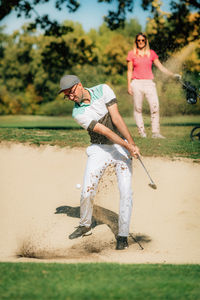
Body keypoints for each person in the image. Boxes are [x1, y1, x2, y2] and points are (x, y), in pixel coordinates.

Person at [58, 74, 140, 250]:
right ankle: (85, 225)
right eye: (67, 96)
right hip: (99, 148)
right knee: (87, 190)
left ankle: (123, 236)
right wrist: (127, 145)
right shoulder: (78, 113)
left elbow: (116, 119)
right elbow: (105, 132)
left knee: (126, 192)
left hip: (119, 147)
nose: (70, 97)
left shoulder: (103, 89)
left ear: (79, 85)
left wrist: (131, 145)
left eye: (71, 92)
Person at [127, 32, 181, 138]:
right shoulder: (132, 54)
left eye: (143, 40)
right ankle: (142, 132)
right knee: (138, 108)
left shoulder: (151, 53)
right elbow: (129, 71)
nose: (141, 42)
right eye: (139, 40)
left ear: (146, 41)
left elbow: (161, 67)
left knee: (155, 106)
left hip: (149, 83)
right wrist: (129, 85)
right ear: (136, 42)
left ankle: (155, 133)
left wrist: (172, 75)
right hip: (136, 83)